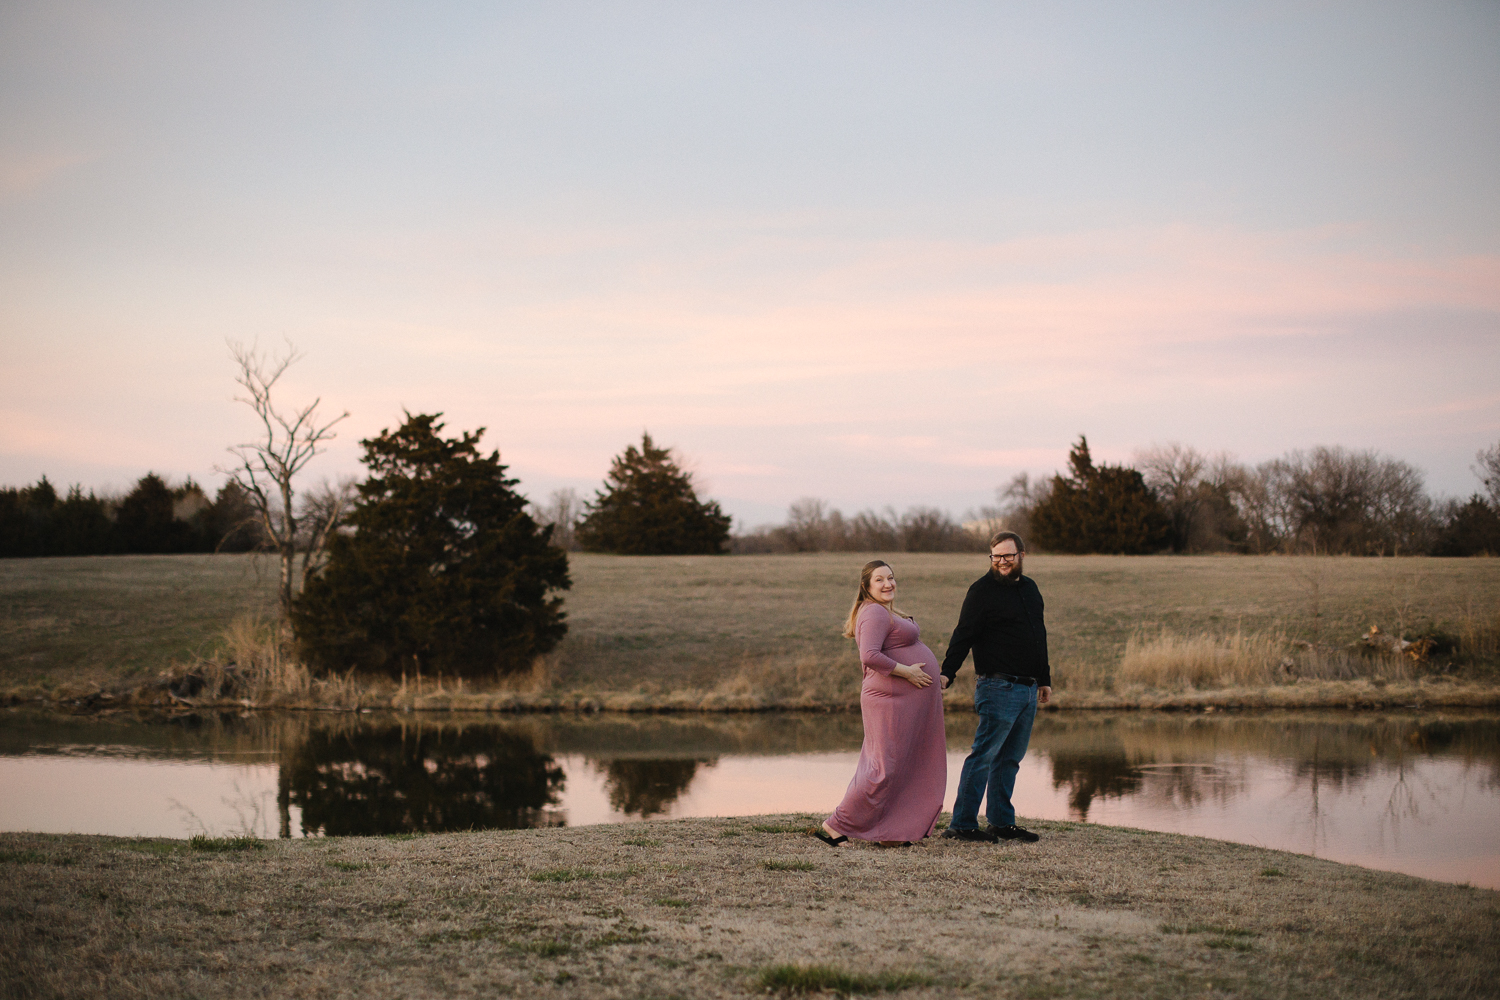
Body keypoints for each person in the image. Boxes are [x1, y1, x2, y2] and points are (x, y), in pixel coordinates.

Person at [815, 560, 947, 847]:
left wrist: (935, 677)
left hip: (903, 700)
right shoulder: (873, 611)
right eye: (880, 580)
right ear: (866, 586)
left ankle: (890, 831)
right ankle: (834, 826)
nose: (888, 584)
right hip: (889, 701)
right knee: (883, 769)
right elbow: (870, 656)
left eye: (891, 577)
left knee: (899, 765)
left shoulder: (885, 610)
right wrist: (908, 671)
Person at [939, 531, 1050, 843]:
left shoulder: (1030, 589)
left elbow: (1038, 635)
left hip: (1028, 689)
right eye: (996, 556)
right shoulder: (981, 591)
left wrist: (1044, 679)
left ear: (1021, 556)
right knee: (984, 755)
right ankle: (962, 824)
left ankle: (1001, 822)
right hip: (997, 687)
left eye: (1008, 556)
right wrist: (948, 672)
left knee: (1009, 759)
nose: (1002, 562)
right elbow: (963, 634)